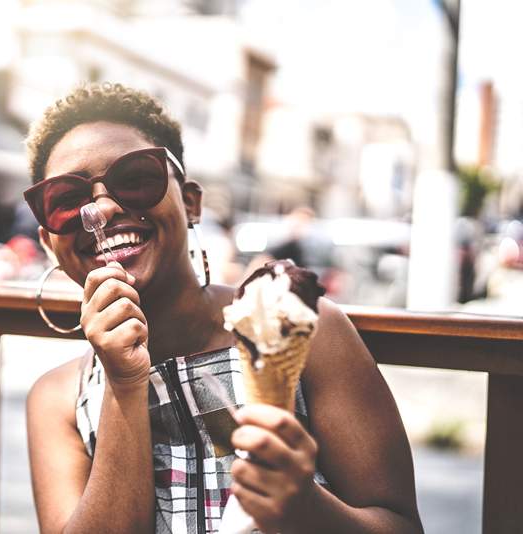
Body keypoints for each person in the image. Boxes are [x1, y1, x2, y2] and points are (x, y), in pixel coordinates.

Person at [24, 83, 422, 534]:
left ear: (190, 201)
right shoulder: (57, 400)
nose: (104, 209)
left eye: (136, 178)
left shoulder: (303, 329)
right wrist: (124, 383)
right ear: (48, 242)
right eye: (66, 201)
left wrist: (304, 506)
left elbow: (400, 525)